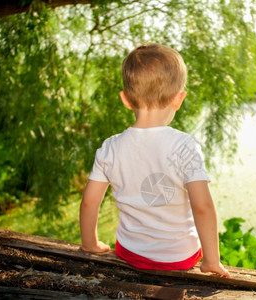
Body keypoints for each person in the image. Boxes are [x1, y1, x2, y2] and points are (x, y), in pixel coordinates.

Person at [79, 43, 230, 278]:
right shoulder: (184, 146)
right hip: (179, 258)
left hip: (129, 252)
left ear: (126, 99)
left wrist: (90, 244)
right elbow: (202, 207)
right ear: (179, 99)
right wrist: (211, 260)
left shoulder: (111, 147)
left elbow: (89, 202)